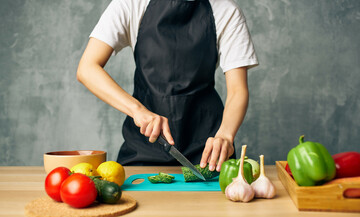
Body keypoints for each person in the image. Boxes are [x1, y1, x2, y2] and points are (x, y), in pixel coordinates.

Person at [76, 0, 258, 172]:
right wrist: (138, 110)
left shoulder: (227, 10)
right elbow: (87, 68)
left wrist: (225, 135)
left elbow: (237, 90)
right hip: (143, 147)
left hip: (207, 150)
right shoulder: (131, 3)